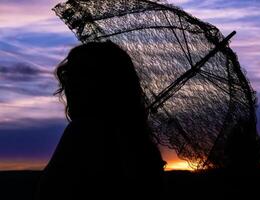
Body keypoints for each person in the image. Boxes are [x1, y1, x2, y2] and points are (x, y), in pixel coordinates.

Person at [35, 41, 165, 199]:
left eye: (82, 75)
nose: (70, 86)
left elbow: (50, 192)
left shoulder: (83, 132)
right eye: (69, 75)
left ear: (105, 83)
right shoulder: (141, 145)